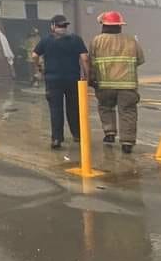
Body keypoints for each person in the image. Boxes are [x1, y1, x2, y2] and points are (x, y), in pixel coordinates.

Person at [89, 11, 145, 154]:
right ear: (120, 25)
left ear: (104, 25)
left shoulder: (96, 41)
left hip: (105, 84)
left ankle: (109, 133)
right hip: (128, 85)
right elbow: (140, 60)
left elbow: (91, 62)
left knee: (105, 107)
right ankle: (127, 142)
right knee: (128, 112)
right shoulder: (131, 40)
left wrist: (91, 79)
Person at [32, 15, 90, 149]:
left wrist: (39, 67)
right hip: (72, 79)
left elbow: (34, 55)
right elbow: (85, 58)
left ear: (53, 26)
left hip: (53, 80)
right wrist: (87, 76)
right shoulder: (76, 39)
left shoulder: (46, 41)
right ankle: (77, 135)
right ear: (65, 26)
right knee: (74, 108)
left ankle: (57, 139)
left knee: (55, 109)